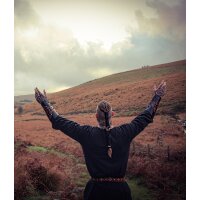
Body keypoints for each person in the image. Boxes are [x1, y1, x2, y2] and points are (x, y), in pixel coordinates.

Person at [35, 80, 166, 200]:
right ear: (112, 115)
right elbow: (146, 116)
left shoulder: (86, 134)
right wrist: (157, 96)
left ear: (96, 116)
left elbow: (58, 121)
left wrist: (44, 102)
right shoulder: (125, 132)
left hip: (95, 192)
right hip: (121, 193)